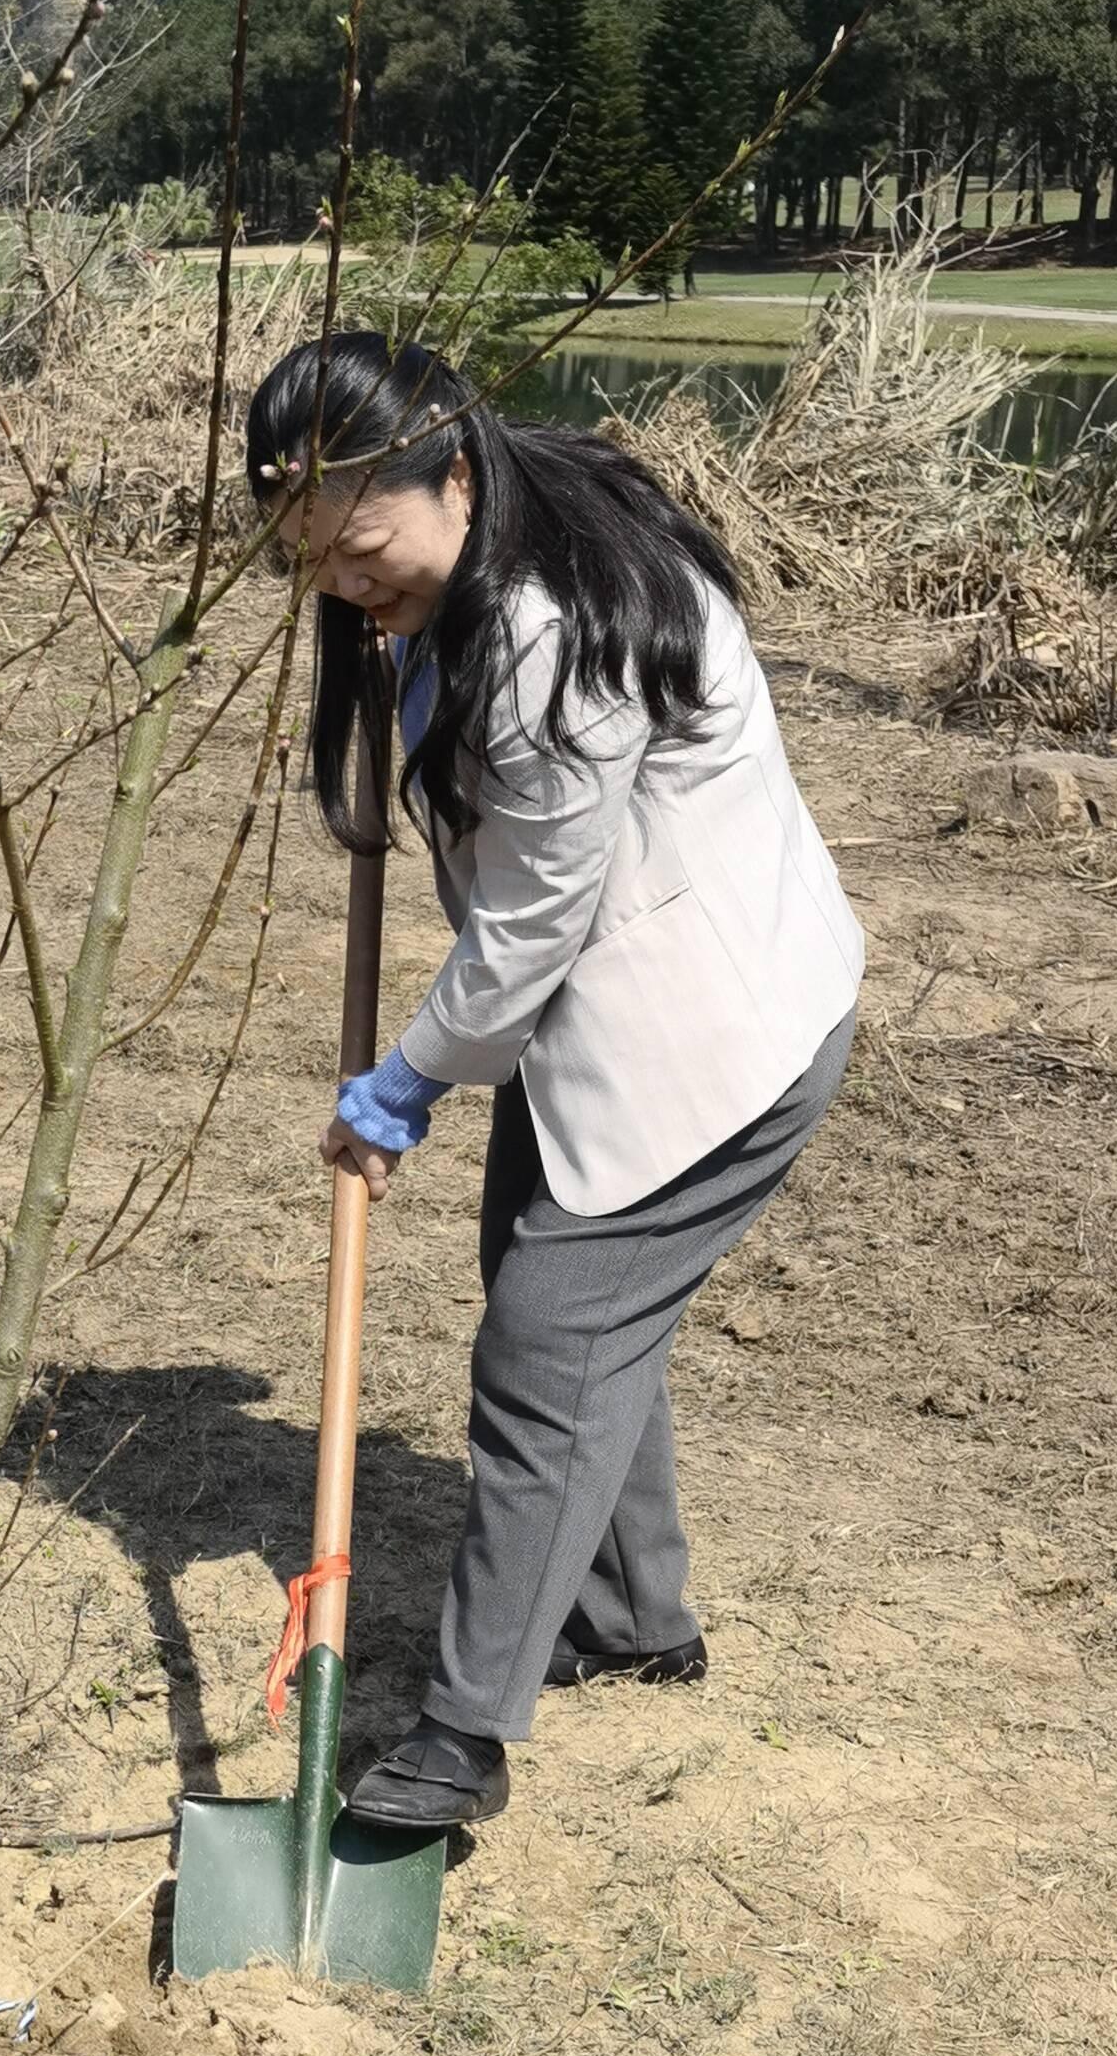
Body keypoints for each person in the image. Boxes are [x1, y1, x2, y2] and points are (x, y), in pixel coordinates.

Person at [249, 329, 864, 1832]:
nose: (346, 584)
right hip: (613, 1010)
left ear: (451, 471)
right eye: (311, 560)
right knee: (559, 1298)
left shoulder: (548, 628)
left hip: (710, 1027)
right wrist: (396, 630)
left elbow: (536, 913)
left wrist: (404, 1079)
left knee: (549, 1341)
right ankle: (633, 1615)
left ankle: (463, 1739)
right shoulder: (505, 534)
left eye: (365, 545)